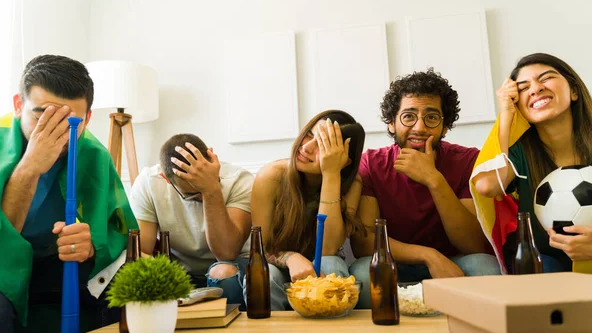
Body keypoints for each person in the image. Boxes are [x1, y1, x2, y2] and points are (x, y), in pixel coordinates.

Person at [0, 55, 138, 333]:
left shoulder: (93, 154)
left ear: (86, 119)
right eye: (41, 117)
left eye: (70, 123)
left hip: (55, 263)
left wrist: (90, 247)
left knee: (125, 285)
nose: (55, 136)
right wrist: (30, 166)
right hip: (0, 264)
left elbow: (121, 235)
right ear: (18, 104)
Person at [350, 69, 500, 308]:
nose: (419, 127)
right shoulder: (371, 164)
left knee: (485, 265)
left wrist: (434, 180)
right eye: (408, 116)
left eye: (431, 117)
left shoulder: (469, 160)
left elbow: (474, 245)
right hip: (394, 263)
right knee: (362, 272)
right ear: (391, 123)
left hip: (454, 263)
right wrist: (428, 255)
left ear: (445, 126)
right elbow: (365, 244)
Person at [472, 53, 592, 273]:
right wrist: (506, 115)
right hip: (546, 263)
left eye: (545, 78)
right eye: (523, 88)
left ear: (574, 91)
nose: (535, 89)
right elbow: (487, 186)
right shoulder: (521, 151)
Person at [251, 110, 365, 310]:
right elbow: (261, 248)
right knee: (265, 274)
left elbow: (328, 248)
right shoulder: (272, 176)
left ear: (343, 159)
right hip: (278, 265)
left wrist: (331, 174)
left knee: (331, 263)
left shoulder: (351, 184)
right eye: (309, 135)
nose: (306, 147)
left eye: (322, 145)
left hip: (322, 269)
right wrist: (291, 258)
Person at [129, 134, 253, 308]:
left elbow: (227, 253)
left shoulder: (239, 180)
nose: (200, 197)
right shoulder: (149, 183)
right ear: (166, 179)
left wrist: (211, 190)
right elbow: (141, 251)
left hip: (233, 267)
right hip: (181, 272)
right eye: (192, 195)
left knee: (223, 272)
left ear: (211, 158)